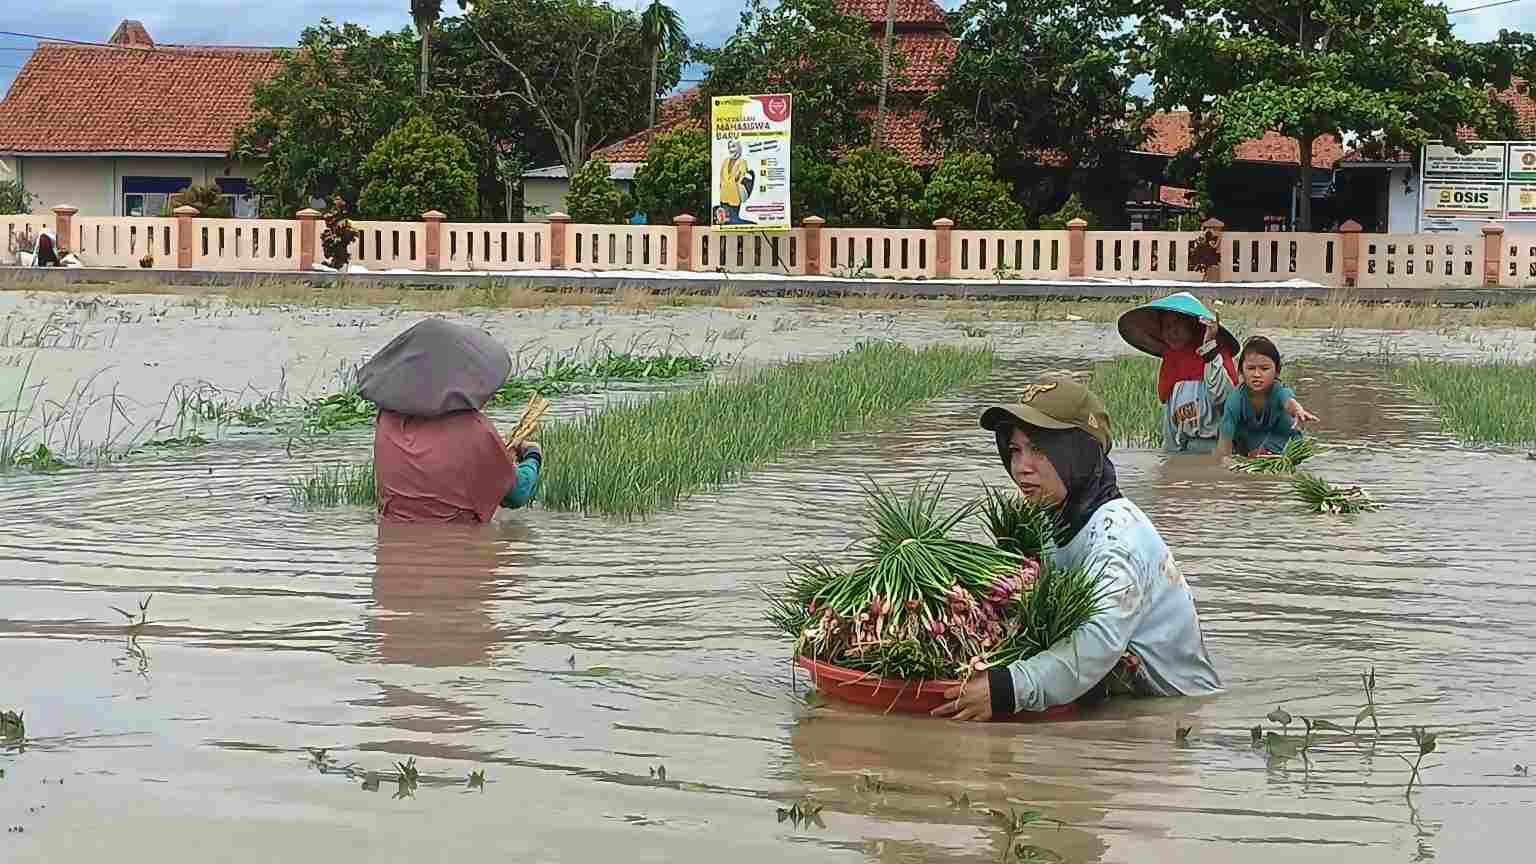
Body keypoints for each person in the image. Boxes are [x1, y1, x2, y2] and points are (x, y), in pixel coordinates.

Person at [933, 379, 1222, 721]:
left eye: (1039, 449)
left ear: (1078, 453)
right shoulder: (1052, 518)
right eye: (1015, 450)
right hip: (1114, 696)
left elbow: (1094, 646)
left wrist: (1005, 689)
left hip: (1168, 714)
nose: (1022, 467)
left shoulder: (1117, 539)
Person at [359, 318, 543, 524]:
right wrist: (532, 456)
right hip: (460, 549)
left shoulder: (387, 422)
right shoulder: (477, 431)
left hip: (393, 546)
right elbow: (517, 494)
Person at [1117, 292, 1240, 453]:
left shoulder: (1215, 360)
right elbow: (1171, 427)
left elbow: (1224, 397)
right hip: (1186, 450)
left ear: (1193, 326)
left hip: (1217, 449)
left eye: (1178, 326)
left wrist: (1209, 350)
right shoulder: (1172, 367)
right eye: (1167, 327)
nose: (1172, 332)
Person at [1216, 336, 1319, 460]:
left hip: (1283, 443)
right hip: (1249, 446)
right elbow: (1225, 437)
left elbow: (1288, 402)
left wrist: (1298, 411)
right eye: (1251, 368)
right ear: (1242, 371)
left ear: (1276, 372)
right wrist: (1225, 463)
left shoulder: (1280, 391)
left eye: (1264, 369)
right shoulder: (1236, 400)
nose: (1257, 375)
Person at [716, 139, 748, 225]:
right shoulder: (725, 161)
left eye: (733, 146)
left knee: (733, 221)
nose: (731, 149)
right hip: (723, 198)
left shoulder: (742, 162)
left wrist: (738, 175)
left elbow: (741, 177)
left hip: (734, 198)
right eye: (729, 147)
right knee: (724, 222)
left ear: (738, 148)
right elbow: (721, 177)